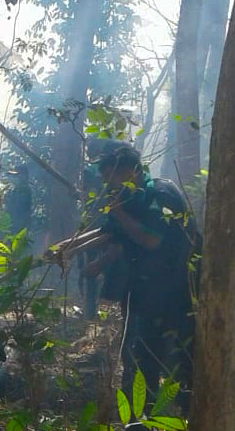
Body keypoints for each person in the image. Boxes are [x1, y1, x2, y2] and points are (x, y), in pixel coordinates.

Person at [81, 143, 200, 414]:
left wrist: (119, 213)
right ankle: (138, 428)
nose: (106, 182)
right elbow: (110, 234)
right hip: (144, 291)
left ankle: (191, 419)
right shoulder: (129, 198)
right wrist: (67, 250)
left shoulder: (159, 194)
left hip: (176, 294)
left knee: (181, 358)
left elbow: (152, 240)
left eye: (110, 174)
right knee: (137, 358)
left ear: (131, 171)